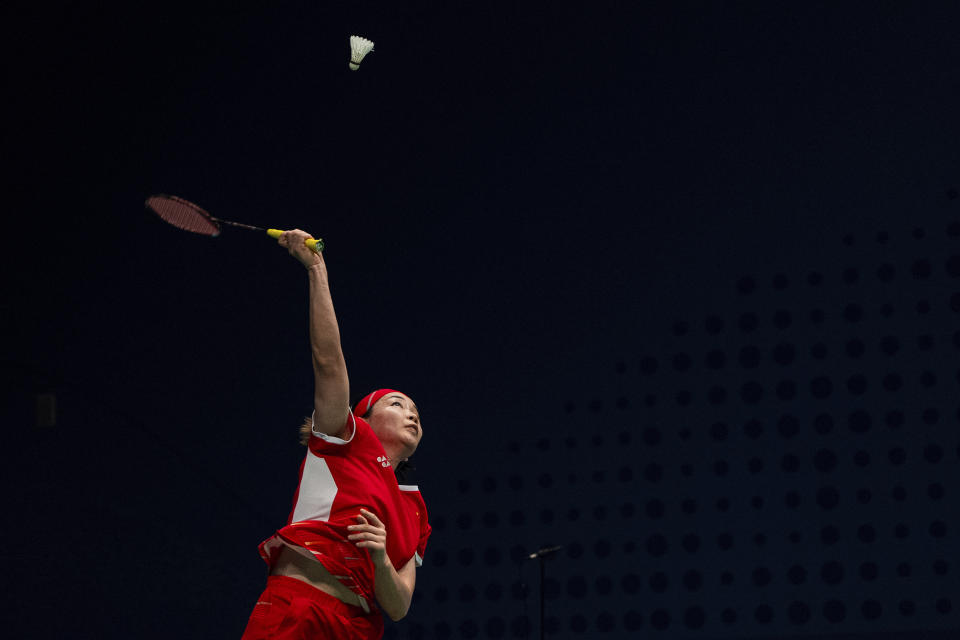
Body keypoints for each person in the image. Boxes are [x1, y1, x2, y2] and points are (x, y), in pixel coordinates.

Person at [241, 230, 431, 639]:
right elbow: (328, 361)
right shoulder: (344, 440)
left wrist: (379, 558)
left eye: (415, 410)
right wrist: (316, 270)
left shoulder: (416, 512)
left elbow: (398, 607)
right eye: (396, 404)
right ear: (363, 416)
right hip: (300, 608)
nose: (411, 414)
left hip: (356, 629)